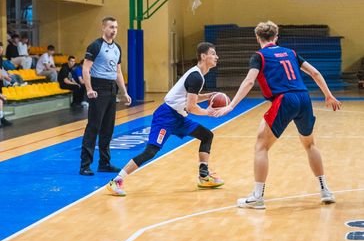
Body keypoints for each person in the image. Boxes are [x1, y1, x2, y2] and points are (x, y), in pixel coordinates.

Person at [215, 21, 341, 209]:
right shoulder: (291, 53)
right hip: (304, 98)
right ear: (276, 37)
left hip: (284, 100)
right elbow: (315, 72)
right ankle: (325, 191)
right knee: (310, 144)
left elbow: (249, 82)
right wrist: (328, 95)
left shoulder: (259, 56)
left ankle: (257, 197)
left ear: (257, 37)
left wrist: (231, 105)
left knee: (261, 145)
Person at [106, 42, 224, 195]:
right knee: (151, 151)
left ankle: (203, 176)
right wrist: (208, 112)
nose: (216, 57)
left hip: (179, 117)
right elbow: (191, 107)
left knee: (207, 135)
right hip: (166, 116)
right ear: (203, 56)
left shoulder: (198, 75)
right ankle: (116, 181)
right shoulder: (196, 77)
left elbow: (189, 98)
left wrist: (208, 96)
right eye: (213, 53)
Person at [80, 17, 132, 176]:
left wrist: (124, 92)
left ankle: (104, 163)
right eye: (111, 27)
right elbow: (86, 69)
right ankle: (85, 165)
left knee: (108, 128)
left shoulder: (117, 48)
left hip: (111, 89)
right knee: (93, 127)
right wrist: (89, 89)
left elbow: (118, 72)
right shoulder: (95, 46)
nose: (114, 30)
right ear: (103, 28)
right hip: (98, 88)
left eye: (116, 27)